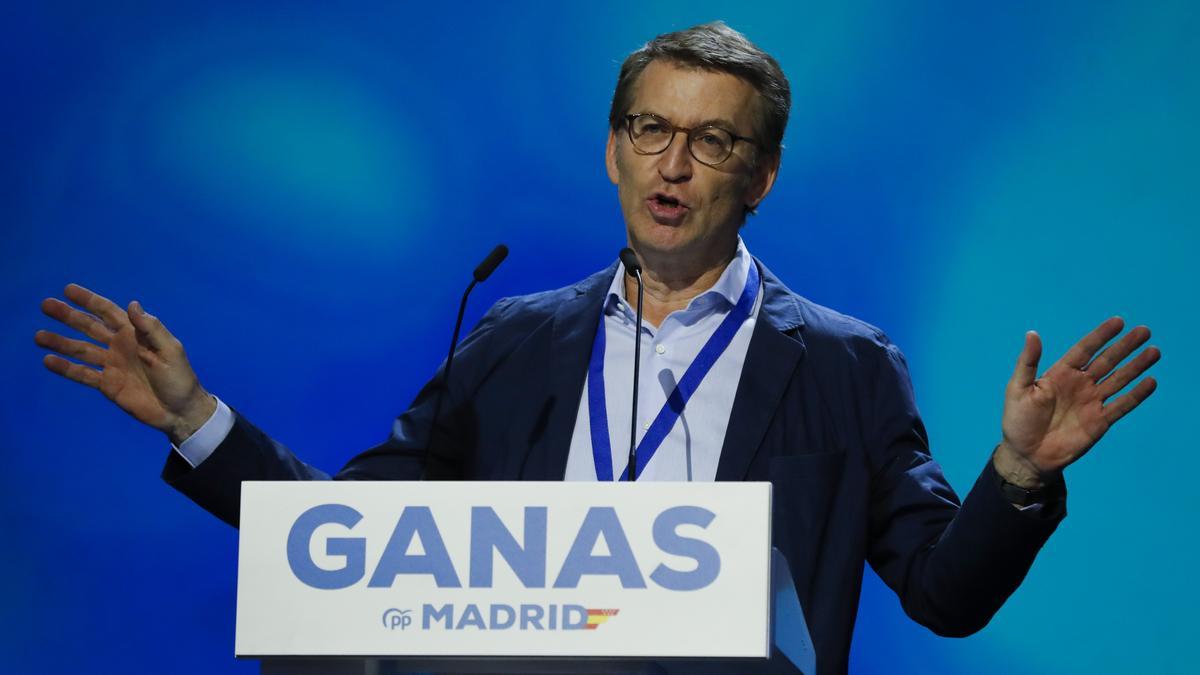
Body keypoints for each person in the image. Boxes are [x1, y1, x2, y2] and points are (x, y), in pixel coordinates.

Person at [35, 21, 1159, 674]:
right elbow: (354, 539)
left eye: (711, 141)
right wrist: (198, 420)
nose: (673, 165)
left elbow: (941, 595)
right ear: (613, 154)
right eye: (650, 131)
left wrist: (1020, 473)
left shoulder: (844, 366)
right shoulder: (517, 338)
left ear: (759, 178)